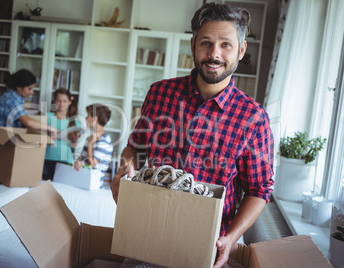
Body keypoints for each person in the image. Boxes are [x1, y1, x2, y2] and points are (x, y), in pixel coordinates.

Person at [110, 2, 274, 268]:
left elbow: (259, 190)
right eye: (206, 43)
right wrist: (124, 168)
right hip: (147, 234)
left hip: (206, 246)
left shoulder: (254, 118)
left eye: (226, 45)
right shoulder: (160, 93)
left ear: (241, 50)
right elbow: (135, 148)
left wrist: (231, 239)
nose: (214, 54)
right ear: (193, 45)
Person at [0, 69, 58, 164]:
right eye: (29, 88)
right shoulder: (11, 100)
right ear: (19, 88)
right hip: (4, 146)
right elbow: (27, 122)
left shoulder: (14, 98)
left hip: (6, 144)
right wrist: (50, 128)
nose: (32, 92)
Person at [43, 88, 81, 180]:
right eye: (58, 101)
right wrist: (48, 137)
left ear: (69, 102)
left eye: (64, 101)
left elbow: (75, 145)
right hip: (47, 157)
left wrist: (74, 140)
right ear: (54, 102)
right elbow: (38, 137)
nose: (61, 104)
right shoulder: (47, 117)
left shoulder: (74, 120)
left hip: (65, 159)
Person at [73, 104, 113, 175]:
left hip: (94, 184)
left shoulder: (104, 141)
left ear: (95, 118)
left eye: (88, 116)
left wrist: (90, 144)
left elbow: (92, 165)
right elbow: (81, 159)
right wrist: (78, 163)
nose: (86, 118)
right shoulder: (90, 138)